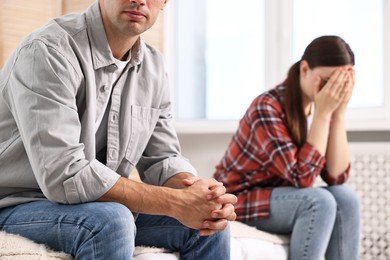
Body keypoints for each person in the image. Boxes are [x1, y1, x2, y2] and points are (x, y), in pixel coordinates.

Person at [0, 0, 237, 259]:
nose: (140, 0)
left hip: (92, 207)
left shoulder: (154, 67)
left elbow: (163, 159)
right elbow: (63, 174)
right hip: (17, 203)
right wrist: (175, 202)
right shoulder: (48, 51)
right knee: (112, 219)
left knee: (209, 223)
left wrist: (201, 196)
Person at [214, 35, 361, 260]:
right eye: (328, 81)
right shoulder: (267, 107)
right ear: (304, 69)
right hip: (241, 199)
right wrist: (323, 113)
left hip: (284, 198)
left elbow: (336, 177)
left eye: (341, 83)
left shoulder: (320, 106)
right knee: (318, 202)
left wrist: (338, 114)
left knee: (346, 198)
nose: (333, 91)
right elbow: (302, 178)